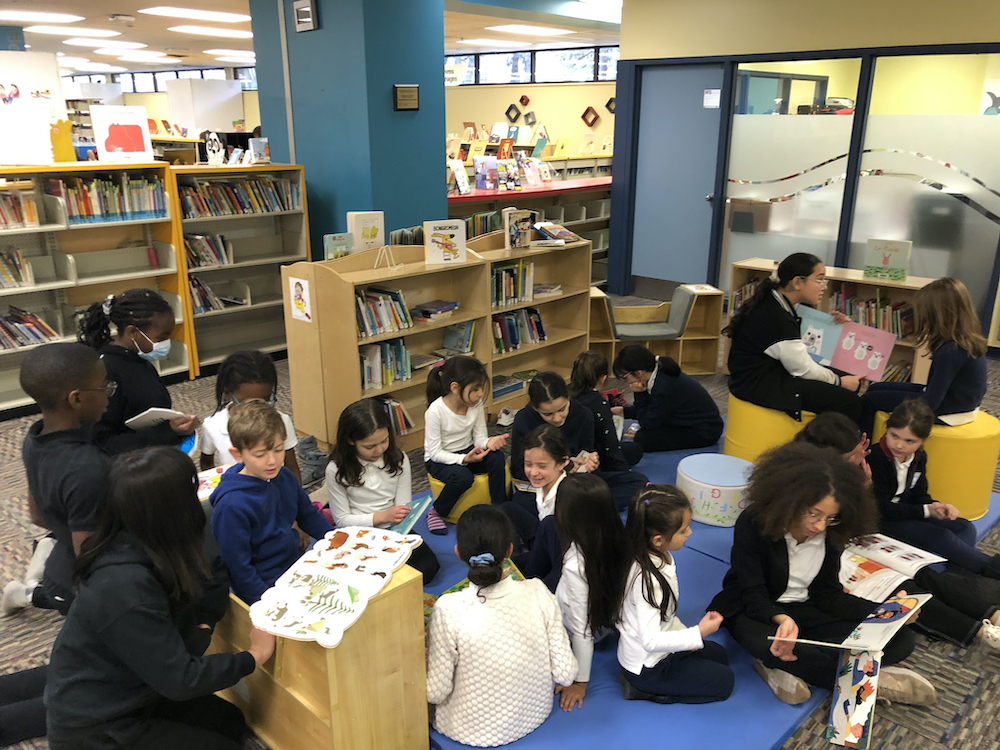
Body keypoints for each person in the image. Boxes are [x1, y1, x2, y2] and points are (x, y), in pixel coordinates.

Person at [45, 447, 277, 750]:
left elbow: (213, 573)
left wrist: (203, 624)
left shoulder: (153, 539)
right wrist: (253, 656)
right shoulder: (123, 586)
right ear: (172, 508)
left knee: (230, 721)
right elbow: (182, 680)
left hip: (143, 688)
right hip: (100, 725)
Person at [710, 443, 935, 706]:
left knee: (901, 639)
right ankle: (873, 684)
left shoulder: (832, 533)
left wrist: (887, 612)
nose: (820, 525)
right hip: (758, 612)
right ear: (790, 501)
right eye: (813, 514)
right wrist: (781, 619)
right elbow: (752, 593)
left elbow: (829, 596)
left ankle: (781, 666)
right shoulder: (755, 523)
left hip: (808, 609)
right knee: (766, 640)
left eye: (831, 517)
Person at [796, 412, 1000, 651]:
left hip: (858, 541)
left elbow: (865, 523)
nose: (862, 457)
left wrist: (865, 490)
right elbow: (839, 527)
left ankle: (993, 614)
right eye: (854, 455)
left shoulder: (854, 472)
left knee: (923, 571)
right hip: (837, 552)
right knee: (901, 585)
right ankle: (980, 631)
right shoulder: (815, 485)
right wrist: (864, 493)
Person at [426, 505, 577, 746]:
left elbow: (435, 692)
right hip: (534, 714)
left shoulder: (448, 608)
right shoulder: (538, 591)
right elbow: (566, 674)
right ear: (509, 550)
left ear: (458, 552)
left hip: (465, 728)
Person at [4, 343, 111, 617]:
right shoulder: (88, 468)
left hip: (63, 542)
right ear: (76, 399)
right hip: (72, 577)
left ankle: (47, 552)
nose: (108, 396)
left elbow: (37, 517)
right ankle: (27, 593)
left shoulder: (35, 436)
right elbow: (88, 559)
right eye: (103, 388)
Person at [618, 484, 734, 704]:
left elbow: (664, 618)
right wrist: (698, 632)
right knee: (725, 683)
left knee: (721, 656)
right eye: (683, 530)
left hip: (657, 646)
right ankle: (642, 690)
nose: (689, 532)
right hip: (648, 667)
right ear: (658, 539)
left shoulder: (651, 553)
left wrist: (688, 635)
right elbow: (651, 641)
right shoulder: (647, 581)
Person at [210, 399, 334, 603]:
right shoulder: (231, 506)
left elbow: (308, 515)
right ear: (237, 454)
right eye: (260, 454)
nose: (272, 460)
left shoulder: (283, 476)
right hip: (264, 584)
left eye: (278, 450)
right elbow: (240, 568)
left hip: (294, 566)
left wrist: (340, 543)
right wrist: (268, 603)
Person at [868, 399, 1000, 579]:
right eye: (894, 436)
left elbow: (919, 494)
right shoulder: (876, 457)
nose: (899, 445)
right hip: (882, 519)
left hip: (906, 512)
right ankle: (991, 570)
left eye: (909, 441)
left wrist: (935, 506)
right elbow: (881, 507)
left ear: (924, 440)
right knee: (942, 537)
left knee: (965, 527)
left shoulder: (918, 457)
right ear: (887, 429)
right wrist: (925, 510)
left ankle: (956, 575)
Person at [724, 252, 862, 422]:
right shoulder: (775, 316)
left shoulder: (778, 300)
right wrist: (839, 382)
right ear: (797, 282)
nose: (824, 286)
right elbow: (802, 369)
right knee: (849, 401)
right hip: (760, 385)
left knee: (848, 378)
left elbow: (802, 339)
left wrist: (834, 324)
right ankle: (837, 446)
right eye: (819, 280)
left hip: (773, 371)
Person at [325, 398, 440, 583]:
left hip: (394, 530)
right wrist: (382, 517)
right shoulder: (336, 469)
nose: (379, 450)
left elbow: (402, 505)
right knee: (362, 578)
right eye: (370, 446)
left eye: (384, 441)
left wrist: (397, 523)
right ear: (350, 441)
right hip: (358, 532)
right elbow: (342, 520)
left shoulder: (399, 459)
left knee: (427, 569)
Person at [77, 288, 200, 454]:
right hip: (131, 465)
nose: (166, 343)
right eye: (161, 337)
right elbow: (103, 442)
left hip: (150, 449)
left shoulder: (137, 359)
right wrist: (168, 432)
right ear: (133, 333)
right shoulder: (106, 374)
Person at [860, 277, 988, 436]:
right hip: (960, 402)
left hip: (951, 410)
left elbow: (932, 402)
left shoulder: (950, 351)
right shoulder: (962, 339)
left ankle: (863, 446)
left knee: (869, 400)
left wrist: (904, 415)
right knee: (875, 387)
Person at [511, 371, 646, 511]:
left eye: (562, 409)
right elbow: (518, 469)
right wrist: (562, 469)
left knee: (637, 481)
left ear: (568, 398)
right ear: (535, 408)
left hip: (576, 483)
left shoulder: (583, 414)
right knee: (519, 505)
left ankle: (578, 510)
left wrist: (590, 462)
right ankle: (581, 510)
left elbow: (586, 451)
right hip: (544, 486)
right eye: (548, 414)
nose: (557, 418)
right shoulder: (523, 420)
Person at [553, 474, 629, 711]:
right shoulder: (621, 537)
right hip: (608, 619)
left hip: (583, 626)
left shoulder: (576, 564)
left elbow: (581, 629)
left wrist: (579, 681)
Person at [423, 356, 508, 535]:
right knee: (463, 477)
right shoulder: (435, 411)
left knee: (497, 458)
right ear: (455, 388)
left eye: (481, 389)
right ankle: (436, 511)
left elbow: (479, 437)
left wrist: (488, 442)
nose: (479, 394)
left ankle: (500, 508)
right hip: (439, 459)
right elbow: (435, 452)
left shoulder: (474, 405)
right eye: (475, 389)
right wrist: (463, 459)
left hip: (467, 450)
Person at [200, 350, 301, 483]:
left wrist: (297, 498)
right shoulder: (213, 426)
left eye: (266, 399)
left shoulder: (281, 420)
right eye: (248, 402)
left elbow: (292, 468)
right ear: (227, 393)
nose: (257, 408)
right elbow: (207, 464)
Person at [611, 345, 724, 451]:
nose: (627, 382)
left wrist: (639, 393)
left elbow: (648, 423)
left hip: (704, 431)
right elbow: (652, 409)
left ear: (639, 373)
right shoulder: (658, 373)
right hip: (687, 420)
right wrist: (624, 411)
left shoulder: (663, 386)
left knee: (643, 439)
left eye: (625, 377)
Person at [568, 350, 643, 466]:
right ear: (603, 379)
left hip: (568, 454)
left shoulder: (564, 394)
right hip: (592, 458)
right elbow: (610, 447)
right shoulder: (598, 403)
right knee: (635, 449)